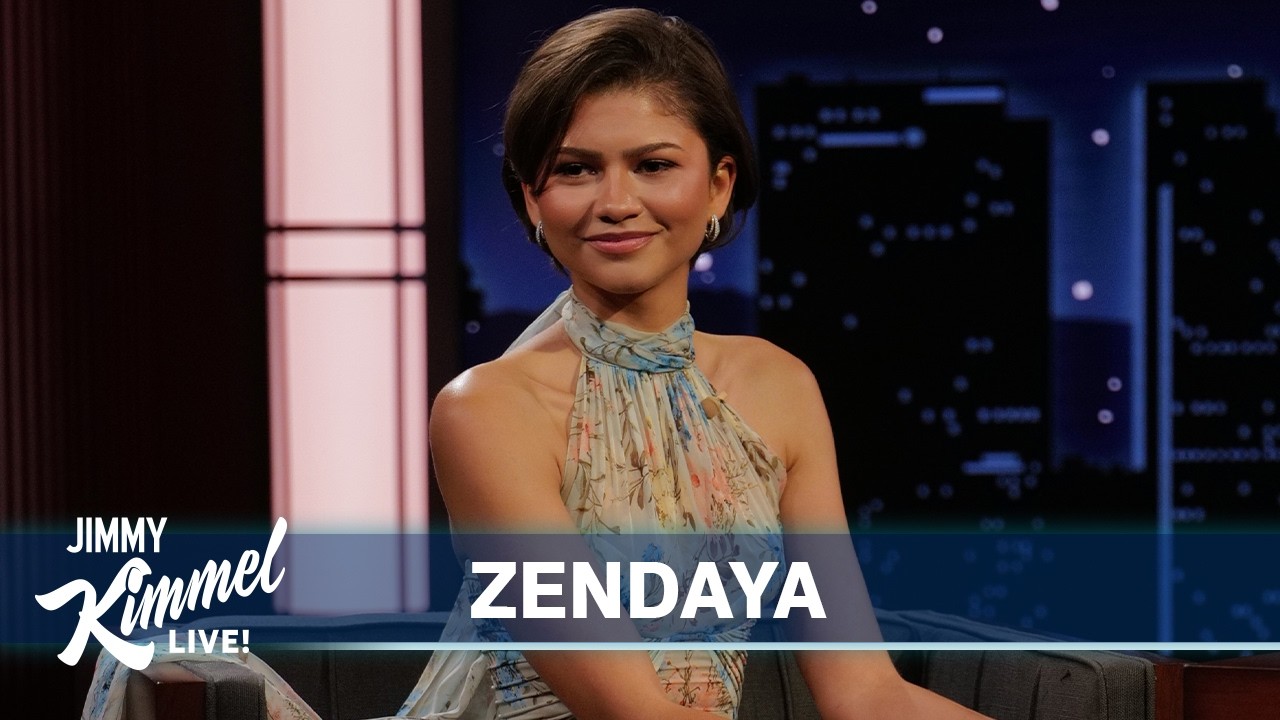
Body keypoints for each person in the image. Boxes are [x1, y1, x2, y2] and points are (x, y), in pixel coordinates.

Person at [403, 8, 992, 720]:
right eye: (575, 169)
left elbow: (865, 693)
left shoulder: (777, 387)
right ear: (533, 197)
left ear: (718, 185)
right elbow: (630, 712)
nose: (616, 203)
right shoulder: (486, 409)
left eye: (653, 166)